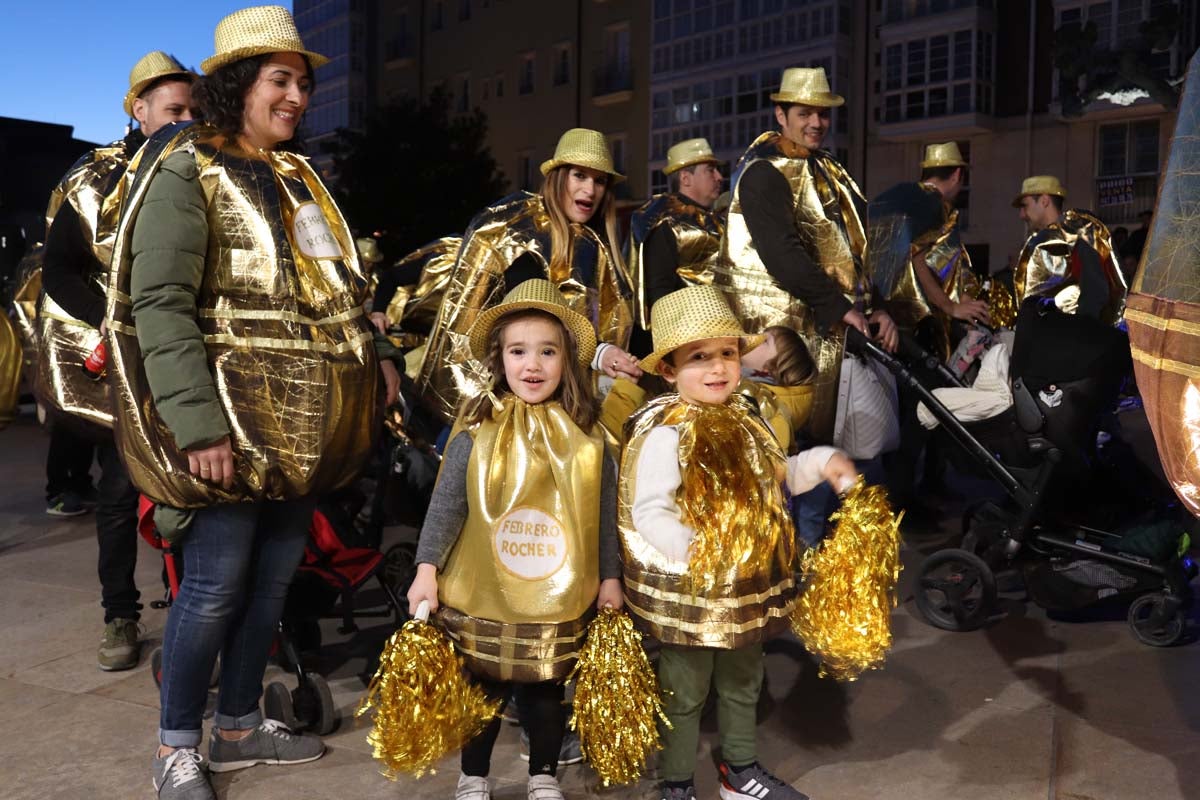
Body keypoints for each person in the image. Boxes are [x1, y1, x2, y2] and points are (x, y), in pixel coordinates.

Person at [104, 7, 380, 798]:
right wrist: (195, 423)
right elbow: (158, 300)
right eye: (280, 80)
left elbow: (338, 291)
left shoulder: (298, 176)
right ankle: (175, 745)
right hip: (227, 422)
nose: (297, 96)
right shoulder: (188, 164)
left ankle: (235, 726)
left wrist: (376, 364)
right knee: (216, 586)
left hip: (301, 433)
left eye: (303, 83)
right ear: (236, 86)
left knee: (271, 585)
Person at [620, 285, 857, 800]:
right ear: (667, 371)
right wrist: (696, 553)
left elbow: (776, 479)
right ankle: (678, 782)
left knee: (744, 679)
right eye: (699, 357)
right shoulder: (667, 434)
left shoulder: (747, 421)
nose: (718, 368)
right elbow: (650, 511)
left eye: (727, 353)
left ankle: (739, 771)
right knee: (684, 691)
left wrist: (820, 464)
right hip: (695, 593)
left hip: (744, 590)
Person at [406, 279, 622, 800]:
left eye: (547, 352)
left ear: (566, 361)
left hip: (556, 597)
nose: (532, 365)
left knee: (545, 691)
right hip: (487, 595)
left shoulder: (590, 439)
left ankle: (542, 774)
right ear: (499, 359)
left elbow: (604, 514)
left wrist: (611, 577)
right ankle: (473, 777)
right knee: (483, 690)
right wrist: (427, 569)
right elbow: (447, 507)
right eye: (518, 351)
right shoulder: (478, 431)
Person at [38, 50, 194, 669]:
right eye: (175, 110)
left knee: (194, 488)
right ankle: (120, 616)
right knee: (120, 490)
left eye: (195, 110)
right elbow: (59, 271)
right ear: (140, 109)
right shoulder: (92, 180)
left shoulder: (203, 168)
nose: (187, 121)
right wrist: (110, 323)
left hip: (188, 358)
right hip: (120, 363)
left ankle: (188, 604)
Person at [712, 67, 898, 446]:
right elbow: (782, 252)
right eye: (804, 114)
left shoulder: (828, 169)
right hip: (779, 346)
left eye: (823, 114)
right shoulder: (764, 171)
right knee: (791, 452)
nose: (817, 123)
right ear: (781, 116)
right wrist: (839, 306)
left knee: (842, 447)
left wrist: (875, 307)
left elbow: (853, 251)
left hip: (827, 335)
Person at [416, 127, 639, 422]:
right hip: (497, 395)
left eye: (600, 181)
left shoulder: (595, 243)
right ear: (559, 177)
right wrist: (602, 353)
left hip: (558, 394)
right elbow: (537, 317)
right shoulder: (524, 230)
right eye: (580, 176)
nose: (590, 190)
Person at [627, 137, 725, 357]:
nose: (720, 177)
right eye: (710, 170)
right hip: (685, 344)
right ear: (685, 178)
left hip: (716, 337)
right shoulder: (665, 219)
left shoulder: (714, 219)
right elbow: (658, 289)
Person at [1012, 175, 1126, 324]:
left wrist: (1078, 336)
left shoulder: (1078, 234)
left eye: (1025, 206)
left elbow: (1095, 291)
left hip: (1073, 339)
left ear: (1044, 201)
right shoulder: (1042, 242)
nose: (1021, 215)